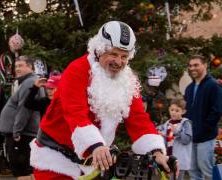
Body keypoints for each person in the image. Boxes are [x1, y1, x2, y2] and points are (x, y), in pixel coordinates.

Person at [30, 20, 176, 180]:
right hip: (56, 159)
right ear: (100, 50)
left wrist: (156, 152)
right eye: (113, 54)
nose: (119, 62)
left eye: (124, 56)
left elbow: (138, 118)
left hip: (93, 161)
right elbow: (75, 113)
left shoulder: (128, 79)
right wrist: (96, 145)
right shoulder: (77, 70)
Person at [0, 56, 45, 180]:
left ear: (30, 67)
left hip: (22, 136)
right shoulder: (27, 82)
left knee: (22, 172)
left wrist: (17, 130)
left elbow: (25, 109)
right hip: (23, 134)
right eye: (16, 66)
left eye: (21, 66)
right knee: (26, 172)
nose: (17, 69)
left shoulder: (30, 82)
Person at [184, 55, 222, 180]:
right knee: (194, 172)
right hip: (191, 138)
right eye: (190, 65)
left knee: (208, 172)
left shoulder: (213, 85)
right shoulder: (189, 88)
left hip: (206, 138)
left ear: (204, 65)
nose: (192, 68)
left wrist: (204, 128)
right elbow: (187, 112)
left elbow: (217, 111)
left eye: (196, 65)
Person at [157, 98, 192, 180]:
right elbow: (163, 133)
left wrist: (177, 132)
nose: (173, 112)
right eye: (172, 110)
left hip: (179, 159)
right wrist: (160, 134)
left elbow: (187, 140)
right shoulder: (168, 123)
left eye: (177, 110)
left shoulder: (186, 123)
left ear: (183, 112)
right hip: (169, 158)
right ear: (169, 109)